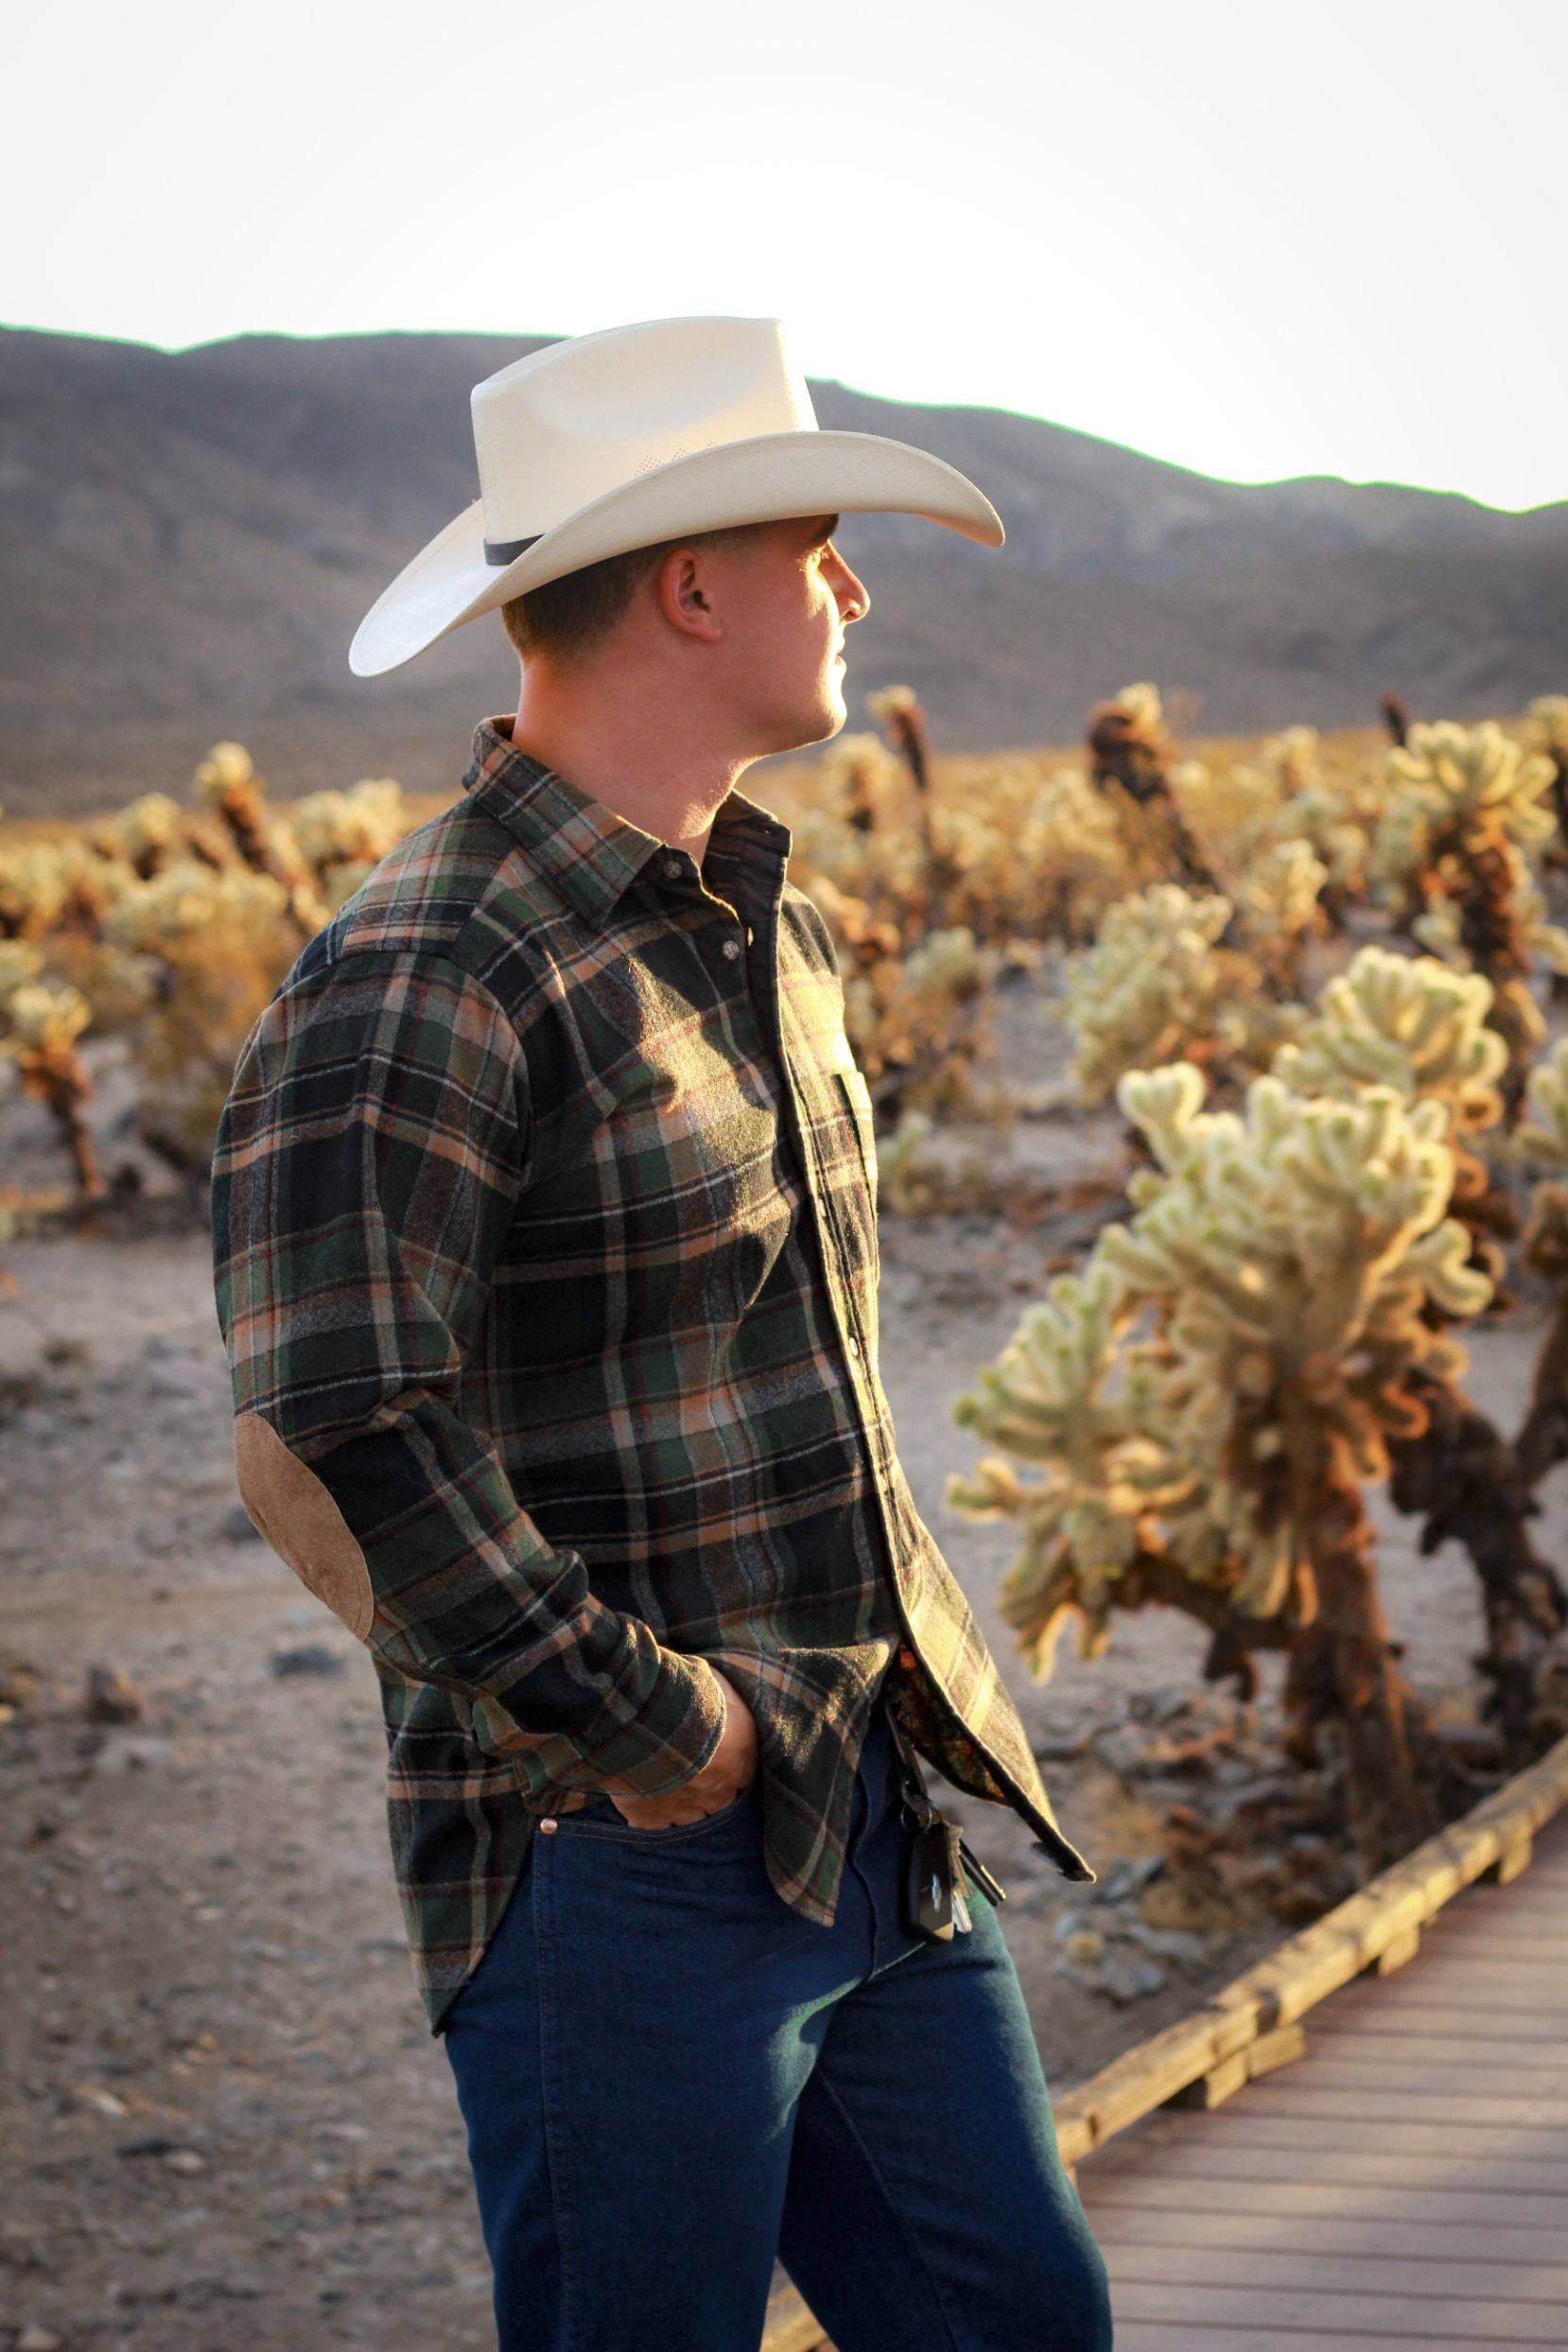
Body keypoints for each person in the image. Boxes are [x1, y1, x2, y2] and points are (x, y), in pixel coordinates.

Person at [212, 315, 1112, 2352]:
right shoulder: (423, 964)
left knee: (1020, 2320)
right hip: (618, 1862)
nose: (854, 588)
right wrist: (653, 1732)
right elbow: (342, 1419)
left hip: (861, 1797)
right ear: (692, 585)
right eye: (816, 542)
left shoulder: (767, 924)